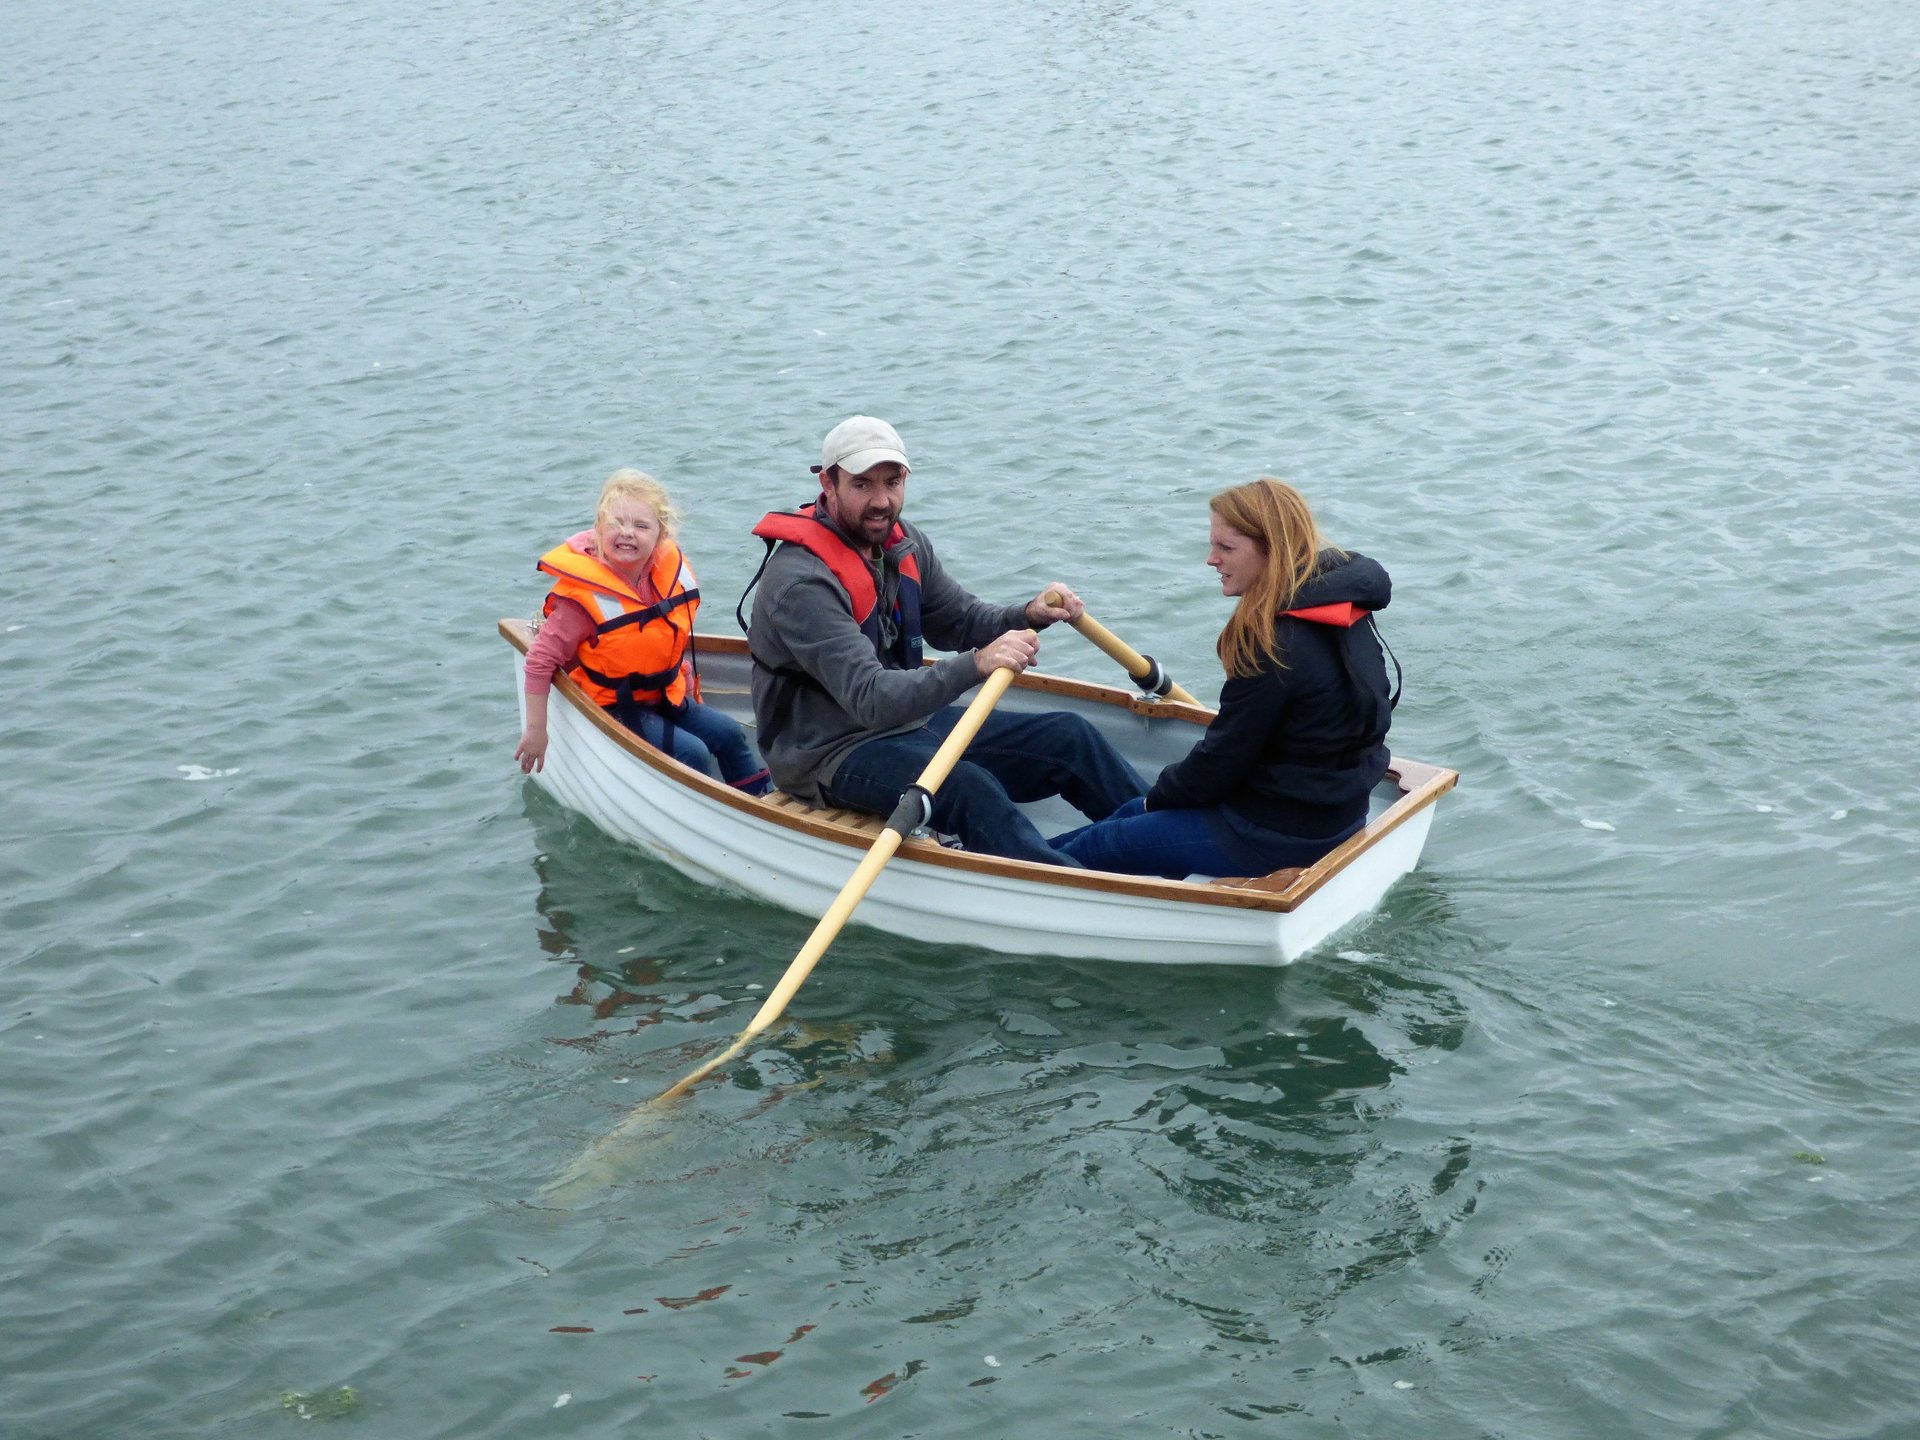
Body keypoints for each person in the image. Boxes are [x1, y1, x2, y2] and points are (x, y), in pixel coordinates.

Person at [744, 415, 1146, 865]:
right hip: (829, 754)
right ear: (828, 483)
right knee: (966, 786)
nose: (882, 501)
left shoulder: (903, 544)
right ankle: (1076, 895)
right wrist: (977, 664)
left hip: (909, 723)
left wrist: (1027, 614)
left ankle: (1169, 838)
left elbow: (959, 619)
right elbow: (872, 699)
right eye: (862, 485)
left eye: (893, 482)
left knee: (1070, 737)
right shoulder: (801, 584)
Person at [1050, 478, 1397, 879]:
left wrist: (1159, 798)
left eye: (1227, 548)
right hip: (1340, 815)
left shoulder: (1272, 642)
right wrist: (1153, 804)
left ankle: (1004, 869)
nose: (1211, 560)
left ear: (1273, 550)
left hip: (1275, 834)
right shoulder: (1344, 610)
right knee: (1130, 812)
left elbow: (1220, 761)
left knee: (1103, 841)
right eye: (1213, 545)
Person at [516, 469, 771, 794]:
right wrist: (537, 730)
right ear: (597, 529)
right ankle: (704, 814)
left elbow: (664, 638)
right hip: (615, 706)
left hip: (666, 695)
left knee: (728, 733)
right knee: (691, 751)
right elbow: (539, 662)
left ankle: (757, 800)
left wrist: (684, 676)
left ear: (660, 535)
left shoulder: (667, 577)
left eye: (641, 525)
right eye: (616, 523)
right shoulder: (582, 602)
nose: (627, 533)